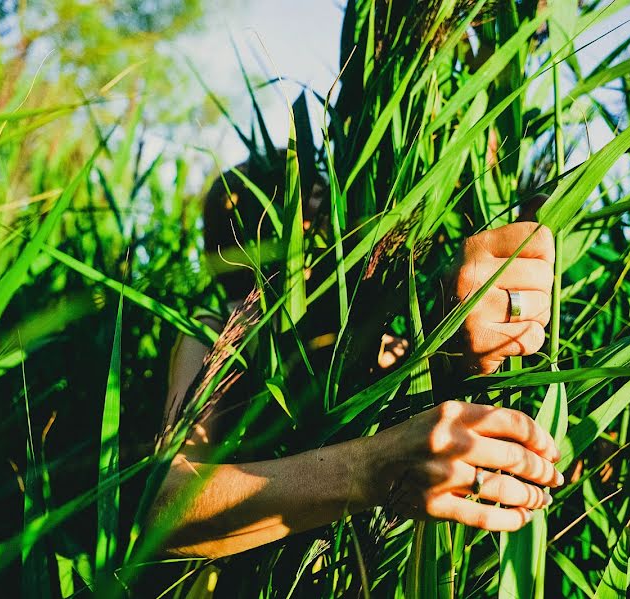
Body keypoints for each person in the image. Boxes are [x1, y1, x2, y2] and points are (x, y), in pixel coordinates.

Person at [146, 164, 562, 559]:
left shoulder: (359, 330)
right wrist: (374, 466)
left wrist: (464, 330)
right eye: (302, 226)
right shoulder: (216, 330)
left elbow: (434, 381)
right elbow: (168, 502)